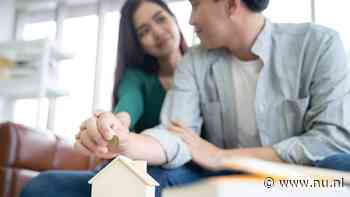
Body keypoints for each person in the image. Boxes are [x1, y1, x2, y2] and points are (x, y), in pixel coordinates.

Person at [68, 0, 350, 195]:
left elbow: (332, 139)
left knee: (340, 169)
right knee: (150, 180)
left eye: (195, 4)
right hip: (220, 177)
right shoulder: (195, 62)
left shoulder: (318, 44)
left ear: (230, 4)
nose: (190, 20)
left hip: (297, 178)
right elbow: (176, 133)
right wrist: (126, 141)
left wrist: (222, 157)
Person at [20, 0, 188, 196]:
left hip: (181, 168)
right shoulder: (136, 78)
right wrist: (114, 126)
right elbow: (128, 105)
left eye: (161, 19)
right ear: (138, 44)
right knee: (41, 186)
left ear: (175, 19)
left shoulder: (203, 68)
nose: (158, 32)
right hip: (135, 166)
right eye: (144, 31)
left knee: (154, 182)